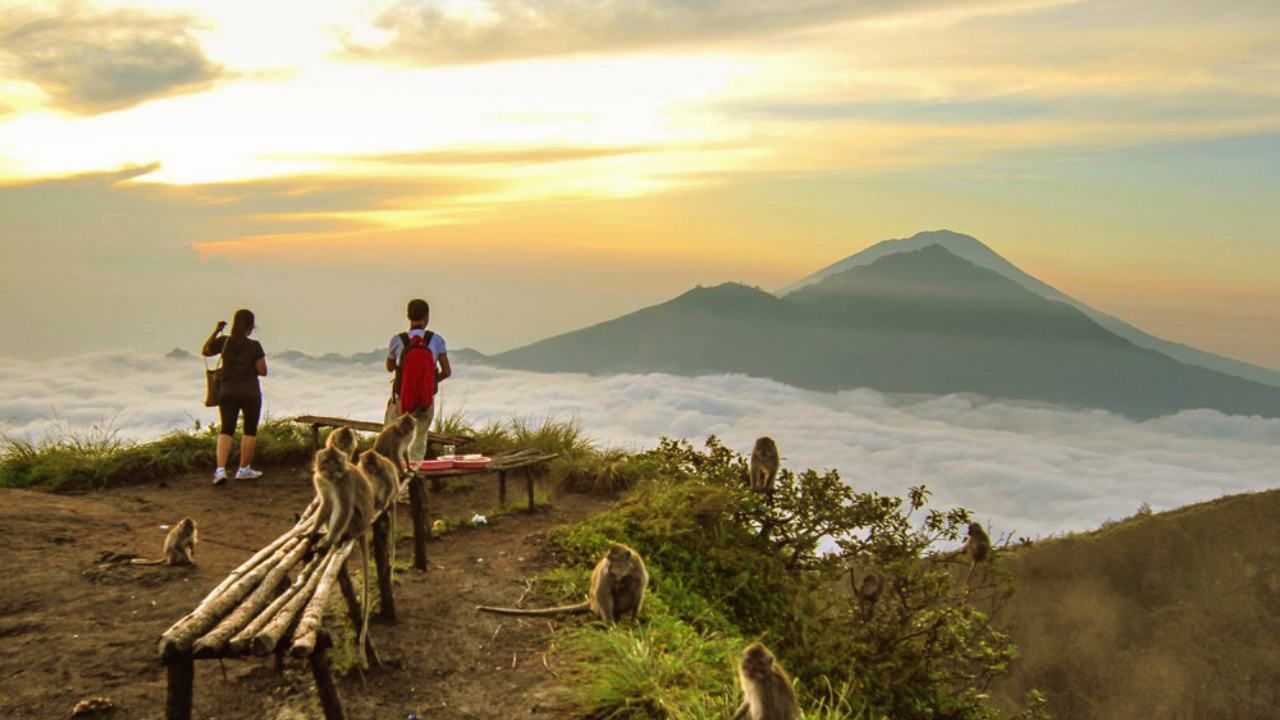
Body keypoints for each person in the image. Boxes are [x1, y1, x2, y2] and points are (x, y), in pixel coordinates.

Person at [202, 309, 268, 485]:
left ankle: (220, 470)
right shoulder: (254, 346)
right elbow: (263, 371)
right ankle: (243, 469)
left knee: (226, 429)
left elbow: (206, 351)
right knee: (250, 430)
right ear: (250, 326)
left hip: (227, 391)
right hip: (250, 393)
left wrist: (216, 331)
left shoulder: (224, 342)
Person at [385, 298, 451, 463]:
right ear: (427, 317)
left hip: (401, 399)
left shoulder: (397, 340)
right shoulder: (436, 340)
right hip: (425, 402)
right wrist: (429, 382)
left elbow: (390, 367)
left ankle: (397, 482)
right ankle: (415, 481)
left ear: (408, 316)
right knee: (417, 445)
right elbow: (447, 371)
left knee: (393, 443)